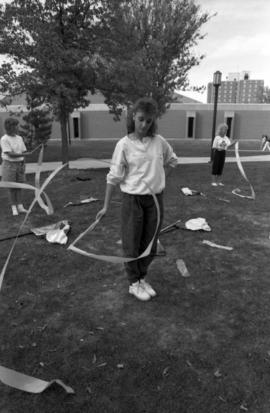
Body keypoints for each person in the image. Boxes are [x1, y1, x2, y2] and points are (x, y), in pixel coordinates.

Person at [96, 97, 178, 301]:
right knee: (132, 243)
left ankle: (141, 278)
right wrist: (105, 206)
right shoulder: (123, 145)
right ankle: (133, 283)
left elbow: (172, 161)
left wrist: (159, 177)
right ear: (133, 117)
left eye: (149, 121)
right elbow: (113, 177)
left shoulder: (159, 142)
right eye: (141, 119)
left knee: (150, 242)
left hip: (155, 201)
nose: (144, 125)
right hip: (133, 201)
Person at [0, 117, 29, 216]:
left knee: (19, 186)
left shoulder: (19, 138)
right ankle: (14, 207)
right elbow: (10, 154)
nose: (18, 127)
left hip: (20, 164)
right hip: (9, 165)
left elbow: (23, 151)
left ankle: (20, 206)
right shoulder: (4, 139)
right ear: (10, 127)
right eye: (16, 125)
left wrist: (24, 163)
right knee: (12, 187)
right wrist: (24, 155)